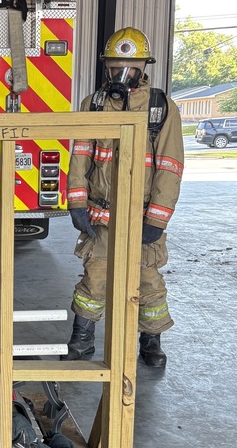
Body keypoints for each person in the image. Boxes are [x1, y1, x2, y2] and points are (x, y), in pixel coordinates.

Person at [63, 27, 184, 368]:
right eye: (115, 68)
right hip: (101, 217)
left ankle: (151, 341)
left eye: (129, 68)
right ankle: (82, 340)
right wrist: (76, 203)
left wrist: (157, 219)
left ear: (144, 67)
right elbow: (80, 157)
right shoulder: (95, 105)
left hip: (142, 216)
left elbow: (170, 167)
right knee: (95, 278)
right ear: (107, 68)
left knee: (148, 281)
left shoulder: (161, 108)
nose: (121, 75)